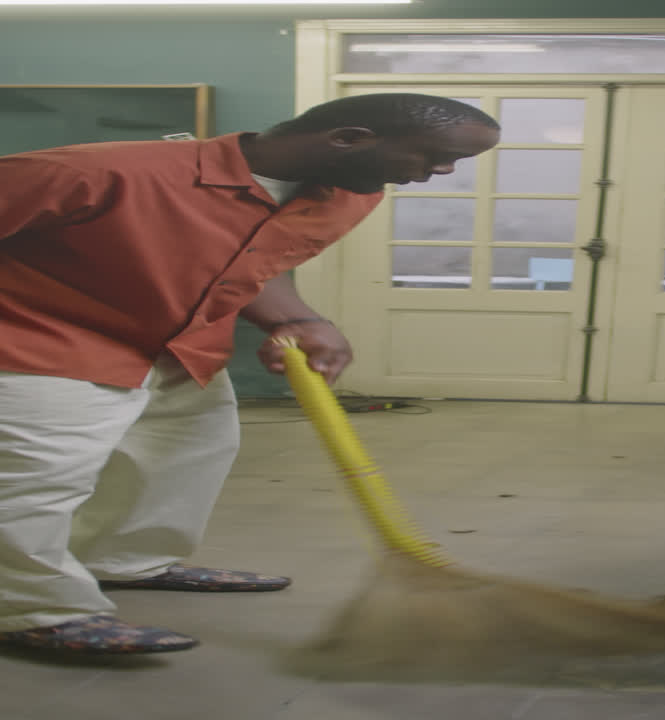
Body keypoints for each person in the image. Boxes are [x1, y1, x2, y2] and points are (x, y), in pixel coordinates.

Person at [0, 93, 501, 655]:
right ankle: (27, 609)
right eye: (434, 156)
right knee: (33, 479)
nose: (442, 172)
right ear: (348, 138)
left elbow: (253, 265)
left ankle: (124, 561)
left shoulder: (348, 195)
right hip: (43, 338)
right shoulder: (95, 173)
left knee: (183, 456)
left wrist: (299, 320)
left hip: (179, 345)